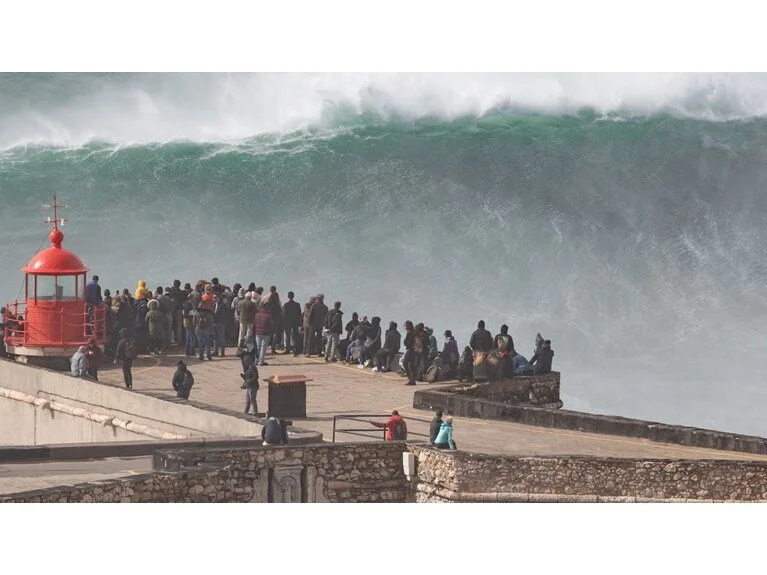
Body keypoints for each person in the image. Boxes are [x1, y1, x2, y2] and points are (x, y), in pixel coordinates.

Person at [282, 291, 302, 356]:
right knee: (295, 336)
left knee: (288, 336)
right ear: (293, 296)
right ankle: (296, 349)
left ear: (288, 296)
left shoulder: (286, 305)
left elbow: (284, 314)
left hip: (287, 322)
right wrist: (299, 323)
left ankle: (288, 349)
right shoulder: (297, 304)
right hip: (295, 322)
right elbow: (299, 314)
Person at [402, 321, 417, 385]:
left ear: (408, 326)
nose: (404, 327)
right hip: (413, 351)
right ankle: (413, 380)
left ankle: (410, 379)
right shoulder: (413, 332)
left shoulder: (409, 333)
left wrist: (406, 343)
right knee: (412, 366)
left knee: (405, 363)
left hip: (409, 350)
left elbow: (406, 342)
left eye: (405, 325)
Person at [182, 292, 197, 356]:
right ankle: (192, 351)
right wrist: (192, 314)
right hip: (188, 322)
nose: (194, 300)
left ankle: (187, 351)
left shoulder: (190, 304)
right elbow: (185, 314)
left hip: (190, 322)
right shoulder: (187, 305)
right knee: (192, 337)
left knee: (188, 337)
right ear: (190, 298)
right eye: (193, 298)